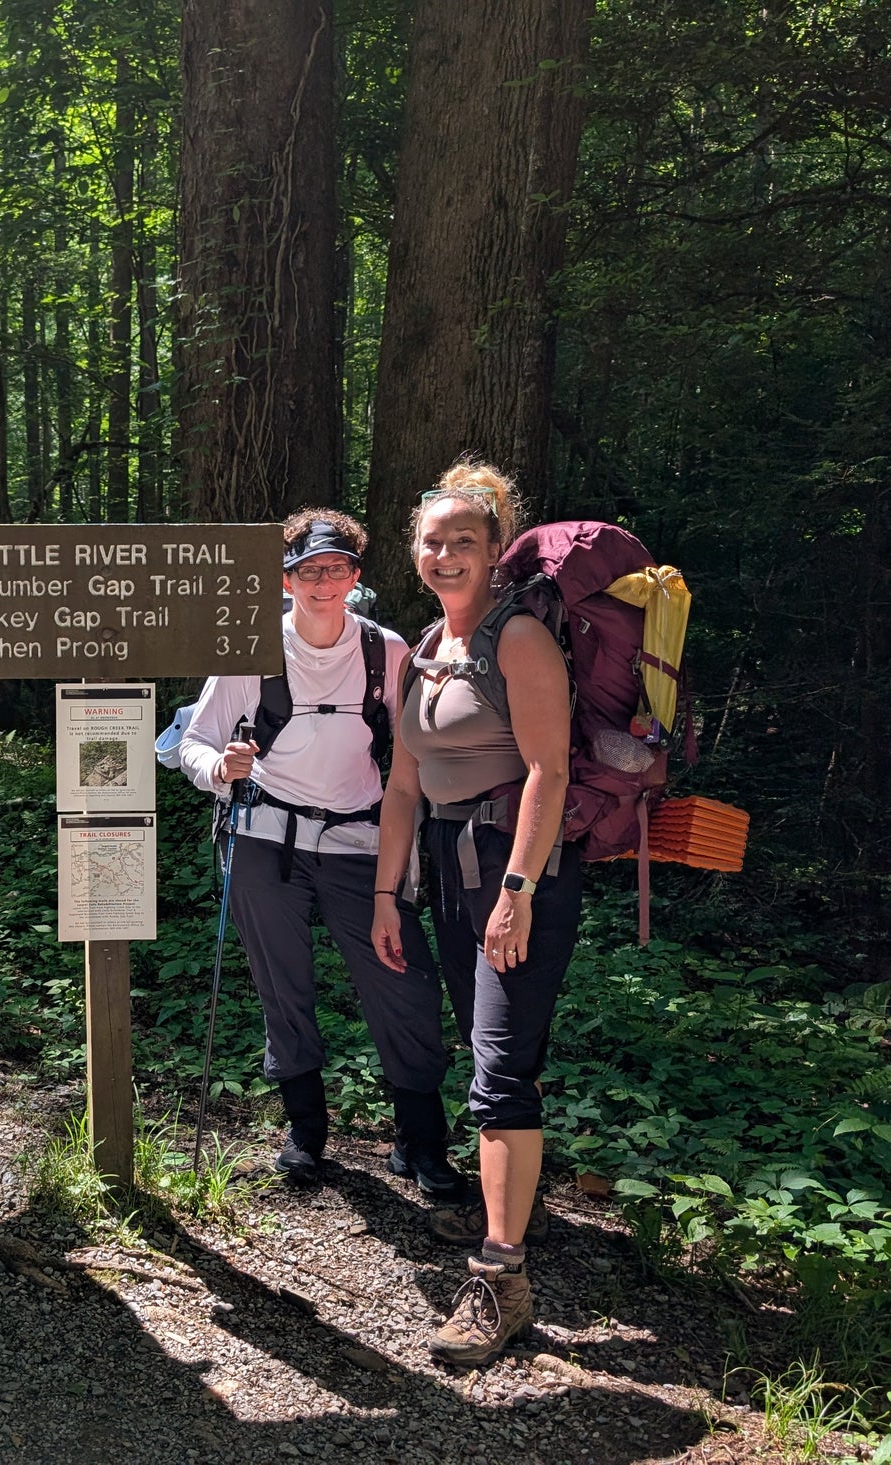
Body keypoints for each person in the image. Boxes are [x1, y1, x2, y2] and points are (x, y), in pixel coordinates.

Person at [176, 510, 467, 1196]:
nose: (323, 581)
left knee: (401, 981)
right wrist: (220, 768)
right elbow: (192, 739)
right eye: (309, 570)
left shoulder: (387, 650)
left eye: (336, 569)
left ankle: (420, 1141)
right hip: (265, 838)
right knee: (284, 986)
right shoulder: (249, 647)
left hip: (362, 843)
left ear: (356, 575)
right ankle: (305, 1131)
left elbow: (411, 754)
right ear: (286, 579)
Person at [371, 461, 581, 1367]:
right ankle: (514, 1213)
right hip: (448, 871)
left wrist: (518, 892)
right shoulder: (428, 647)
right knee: (490, 1050)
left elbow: (549, 770)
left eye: (464, 539)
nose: (445, 553)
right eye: (432, 540)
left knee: (499, 1067)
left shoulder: (520, 637)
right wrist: (386, 892)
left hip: (512, 866)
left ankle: (500, 1277)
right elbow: (405, 783)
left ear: (497, 549)